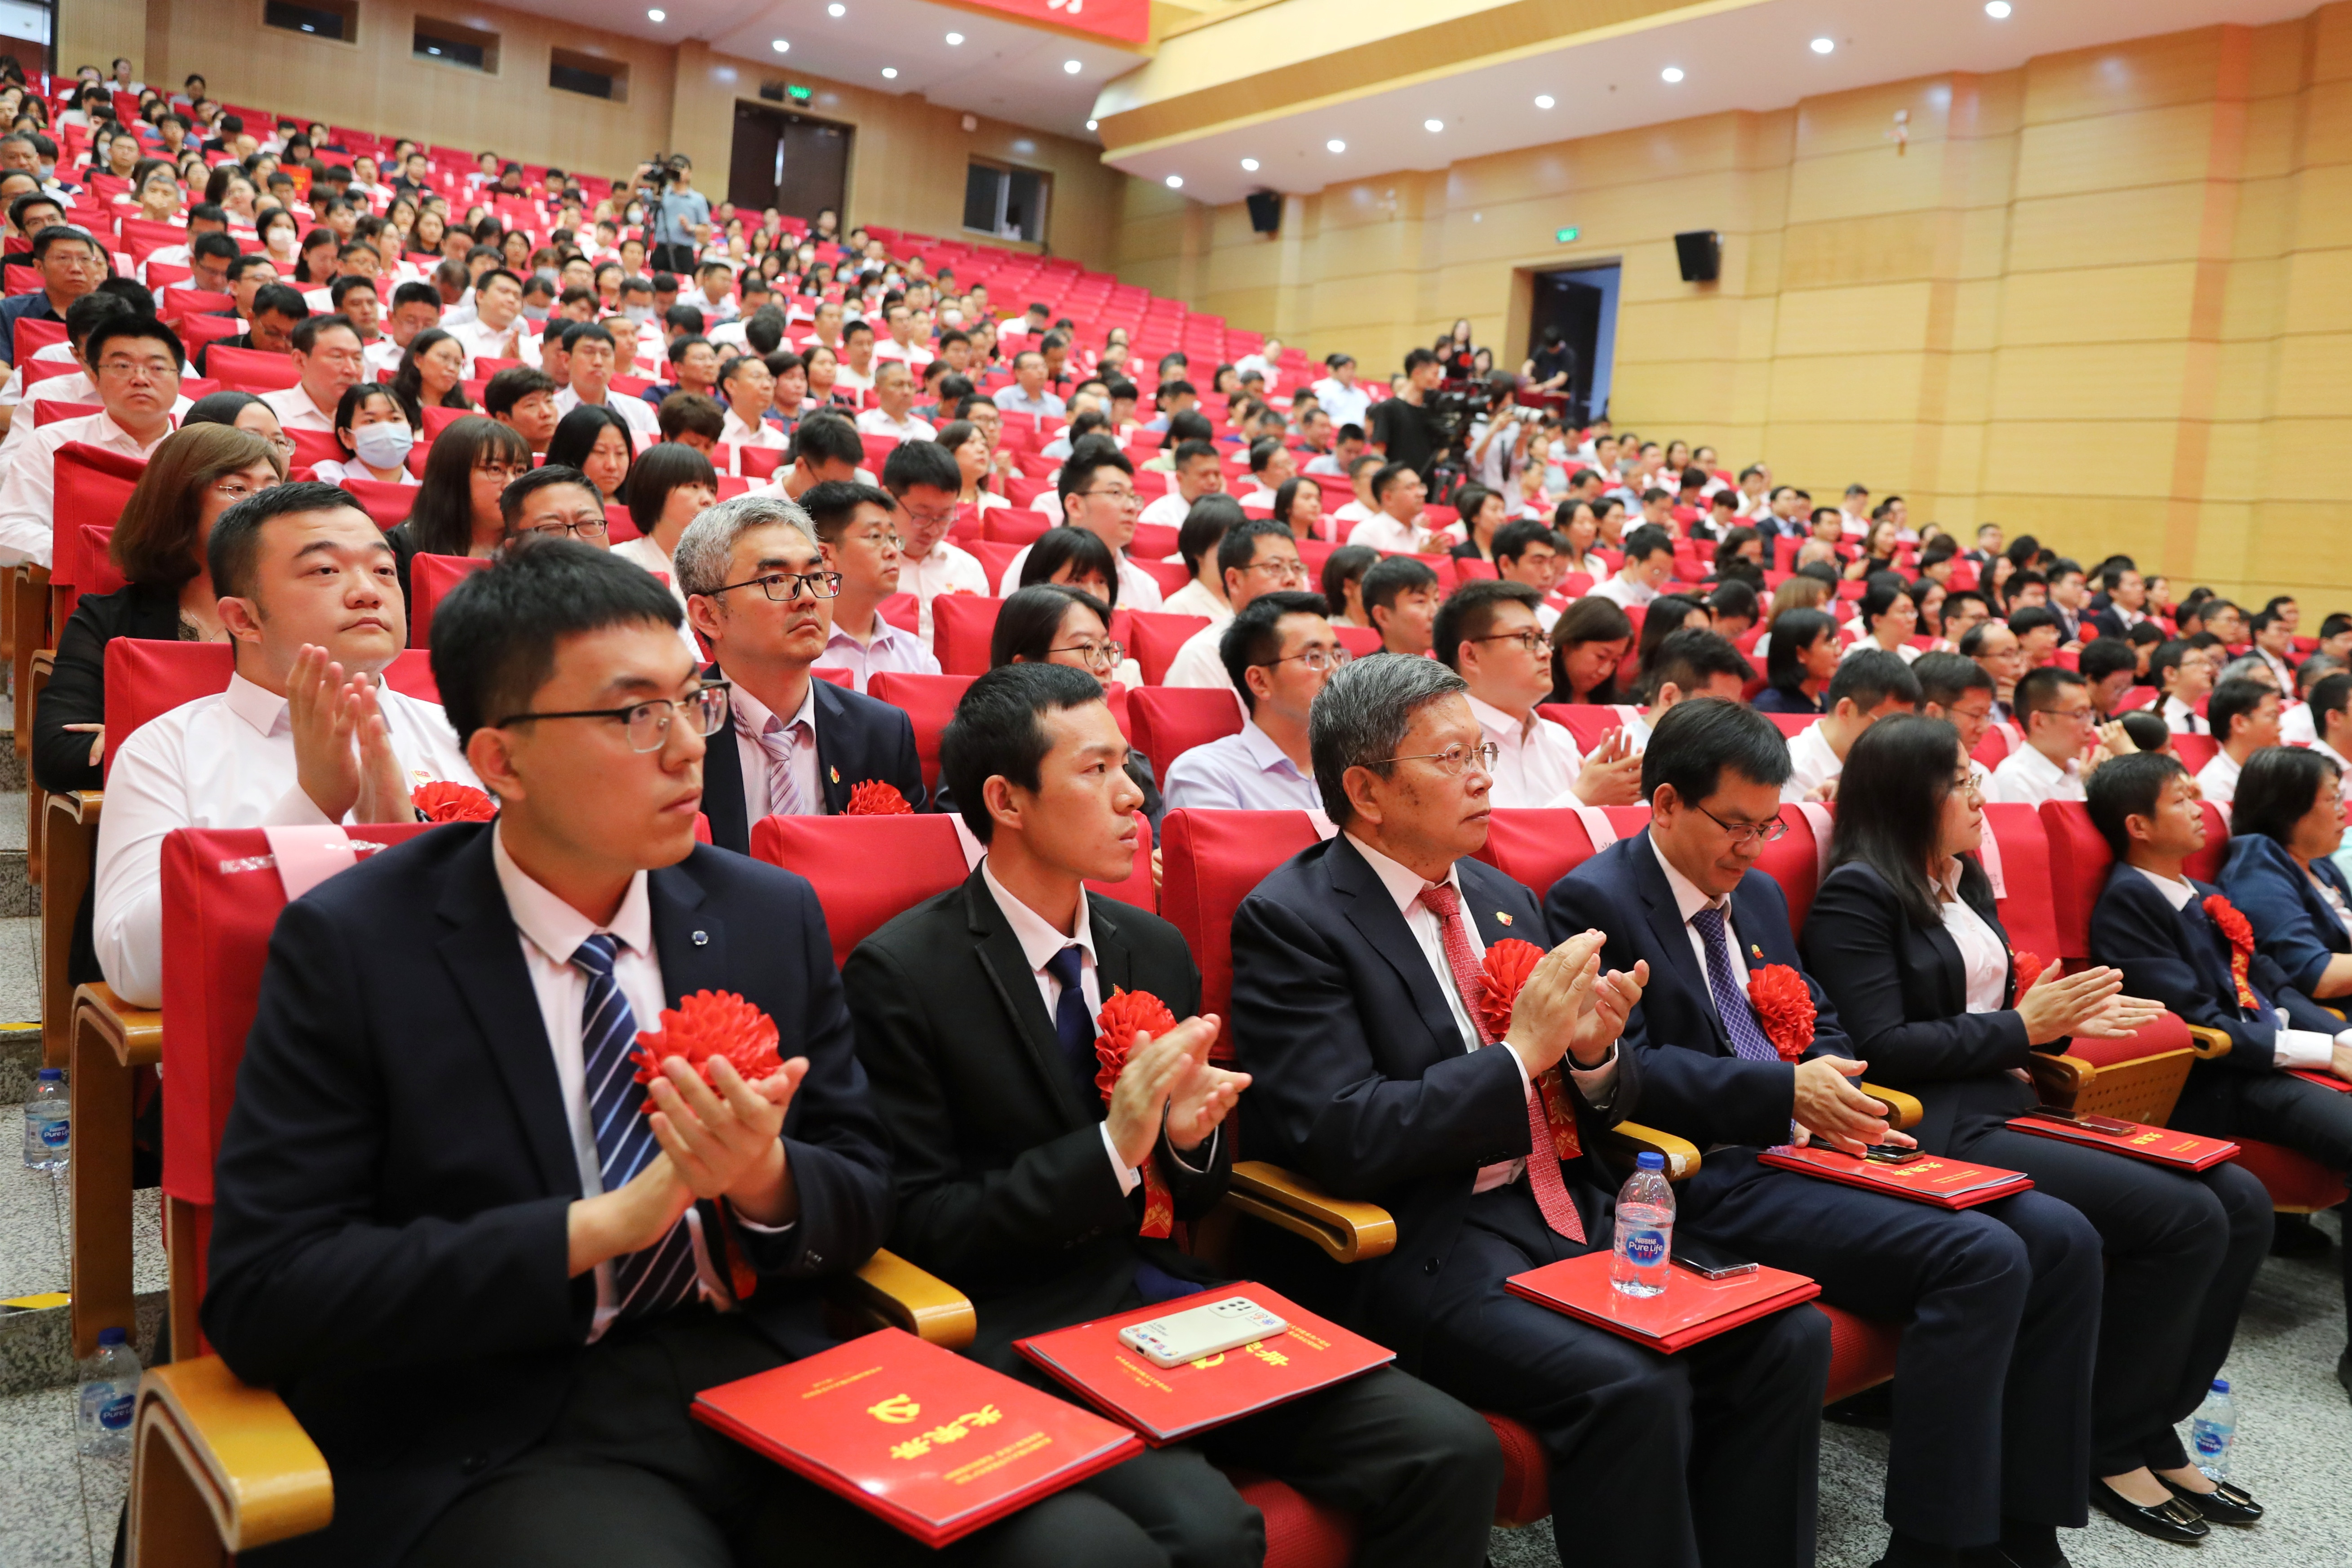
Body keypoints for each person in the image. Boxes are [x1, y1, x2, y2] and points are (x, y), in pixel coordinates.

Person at [201, 538, 1125, 1568]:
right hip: (516, 1411)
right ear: (500, 759)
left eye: (693, 701)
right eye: (636, 714)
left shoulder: (763, 911)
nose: (688, 747)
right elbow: (266, 1292)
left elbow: (867, 1184)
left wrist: (765, 1178)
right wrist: (597, 1227)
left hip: (773, 1370)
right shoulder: (358, 944)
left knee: (1084, 1551)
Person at [843, 660, 1502, 1566]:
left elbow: (1193, 1195)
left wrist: (1189, 1146)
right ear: (1005, 798)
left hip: (1157, 1293)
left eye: (1128, 765)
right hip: (1012, 1319)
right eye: (1095, 770)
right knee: (1206, 1528)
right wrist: (1114, 1148)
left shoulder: (1148, 946)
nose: (1131, 796)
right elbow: (923, 1223)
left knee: (1450, 1447)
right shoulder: (903, 972)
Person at [1230, 652, 1831, 1568]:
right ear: (1365, 789)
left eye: (1481, 752)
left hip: (1567, 1209)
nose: (1483, 776)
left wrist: (1592, 1057)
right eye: (1451, 758)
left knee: (1784, 1335)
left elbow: (1594, 1100)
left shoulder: (1502, 897)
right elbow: (1343, 1132)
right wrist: (1519, 1056)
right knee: (1629, 1384)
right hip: (1426, 1238)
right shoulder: (1294, 919)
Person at [1545, 697, 2102, 1568]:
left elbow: (1820, 1018)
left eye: (1767, 825)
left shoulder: (1760, 893)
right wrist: (1783, 1092)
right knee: (1983, 1255)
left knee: (2062, 1237)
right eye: (1733, 824)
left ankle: (2022, 1524)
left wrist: (1831, 1083)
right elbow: (1631, 1068)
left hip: (1811, 1140)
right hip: (1712, 1170)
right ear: (1665, 803)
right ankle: (1932, 1548)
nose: (1751, 846)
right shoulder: (1594, 898)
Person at [1804, 715, 2272, 1548]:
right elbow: (1882, 1047)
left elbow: (1994, 1015)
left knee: (2239, 1199)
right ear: (1907, 795)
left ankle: (2149, 1422)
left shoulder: (1962, 878)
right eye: (1959, 780)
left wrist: (2057, 1022)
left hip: (2005, 1097)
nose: (1977, 792)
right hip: (1938, 1119)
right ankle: (2106, 1438)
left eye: (1974, 774)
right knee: (2183, 1217)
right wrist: (2028, 1025)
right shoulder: (1859, 891)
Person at [91, 483, 480, 1009]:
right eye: (325, 570)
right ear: (243, 619)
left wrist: (409, 852)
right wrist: (311, 807)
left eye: (384, 570)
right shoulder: (165, 750)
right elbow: (133, 970)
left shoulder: (465, 734)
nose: (367, 591)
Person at [2088, 750, 2352, 1405]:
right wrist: (2320, 1051)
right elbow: (2196, 1023)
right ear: (2138, 826)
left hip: (2267, 1057)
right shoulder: (2128, 902)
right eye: (2180, 799)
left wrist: (2340, 1039)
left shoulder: (2202, 893)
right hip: (2217, 1081)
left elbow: (2275, 985)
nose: (2200, 808)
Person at [33, 422, 282, 812]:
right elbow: (57, 753)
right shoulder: (108, 619)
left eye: (273, 489)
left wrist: (139, 741)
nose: (263, 504)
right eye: (238, 487)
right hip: (158, 826)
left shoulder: (299, 617)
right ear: (180, 502)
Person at [674, 493, 926, 849]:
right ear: (708, 615)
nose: (808, 596)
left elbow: (913, 867)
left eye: (816, 576)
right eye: (775, 580)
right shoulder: (670, 731)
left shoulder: (881, 733)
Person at [1430, 580, 1641, 808]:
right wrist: (1583, 799)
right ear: (1471, 656)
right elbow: (1481, 831)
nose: (1545, 653)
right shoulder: (1442, 743)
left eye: (1543, 640)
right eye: (1528, 639)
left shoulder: (1559, 739)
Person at [0, 314, 184, 567]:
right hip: (81, 581)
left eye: (158, 368)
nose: (140, 379)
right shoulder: (53, 442)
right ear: (94, 378)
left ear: (180, 380)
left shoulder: (200, 452)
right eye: (122, 366)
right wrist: (92, 556)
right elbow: (11, 529)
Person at [1160, 592, 1342, 813]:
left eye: (1337, 655)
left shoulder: (1359, 765)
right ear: (1260, 682)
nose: (1336, 670)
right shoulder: (1206, 774)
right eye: (1314, 657)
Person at [2218, 745, 2352, 1001]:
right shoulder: (2257, 870)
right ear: (2289, 807)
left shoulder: (2317, 861)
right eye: (2333, 799)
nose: (2344, 810)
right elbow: (2318, 976)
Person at [799, 479, 939, 691]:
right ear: (824, 555)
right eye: (876, 537)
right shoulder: (795, 654)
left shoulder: (914, 654)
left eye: (893, 538)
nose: (893, 551)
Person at [995, 442, 1163, 610]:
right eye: (1116, 493)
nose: (1132, 507)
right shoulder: (1032, 562)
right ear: (1075, 506)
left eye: (1132, 496)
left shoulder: (1145, 588)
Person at [1163, 518, 1310, 689]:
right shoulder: (1204, 656)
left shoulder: (1318, 647)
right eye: (1275, 567)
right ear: (1234, 581)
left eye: (1296, 568)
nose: (1291, 579)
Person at [881, 438, 988, 646]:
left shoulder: (969, 569)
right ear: (888, 500)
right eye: (922, 516)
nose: (933, 529)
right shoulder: (862, 567)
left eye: (945, 516)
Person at [1781, 649, 1921, 802]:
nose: (1899, 740)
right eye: (1889, 725)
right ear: (1845, 711)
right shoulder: (1793, 771)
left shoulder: (1893, 763)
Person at [1988, 667, 2121, 806]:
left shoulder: (2080, 770)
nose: (2090, 728)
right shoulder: (2016, 780)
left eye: (2090, 715)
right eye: (2079, 715)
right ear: (2039, 722)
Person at [611, 441, 717, 610]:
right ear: (654, 491)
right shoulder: (619, 562)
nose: (708, 500)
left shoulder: (720, 566)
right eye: (694, 486)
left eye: (712, 490)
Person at [555, 321, 662, 444]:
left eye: (606, 354)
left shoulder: (640, 411)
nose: (598, 362)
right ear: (566, 360)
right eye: (589, 352)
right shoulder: (551, 412)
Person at [262, 313, 367, 433]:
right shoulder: (269, 413)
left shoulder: (379, 417)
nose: (352, 370)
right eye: (337, 356)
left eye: (357, 358)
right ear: (300, 361)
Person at [2192, 675, 2282, 805]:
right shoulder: (2217, 787)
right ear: (2239, 723)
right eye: (2273, 717)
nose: (2280, 727)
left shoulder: (2272, 774)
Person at [311, 383, 416, 486]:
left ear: (411, 430)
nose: (386, 428)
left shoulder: (423, 491)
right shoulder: (328, 480)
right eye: (371, 421)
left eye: (395, 419)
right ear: (346, 437)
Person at [1543, 595, 1633, 706]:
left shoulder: (1618, 704)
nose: (1605, 672)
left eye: (1615, 661)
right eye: (1601, 657)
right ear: (1568, 644)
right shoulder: (1534, 697)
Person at [1366, 347, 1441, 479]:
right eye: (1435, 375)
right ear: (1417, 373)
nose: (1438, 381)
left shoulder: (1433, 410)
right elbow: (1378, 455)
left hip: (1426, 486)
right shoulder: (1388, 409)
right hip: (1397, 485)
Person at [546, 403, 636, 504]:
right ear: (571, 453)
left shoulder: (641, 507)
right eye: (601, 452)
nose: (612, 465)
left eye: (620, 453)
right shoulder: (543, 504)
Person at [1345, 462, 1435, 554]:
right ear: (1388, 498)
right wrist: (1420, 555)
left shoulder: (1426, 537)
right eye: (1410, 488)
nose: (1420, 494)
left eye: (1420, 487)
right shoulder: (1367, 533)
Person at [1361, 554, 1440, 657]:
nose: (1436, 614)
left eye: (1436, 599)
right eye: (1420, 601)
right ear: (1383, 616)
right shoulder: (1367, 668)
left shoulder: (1452, 663)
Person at [1136, 438, 1225, 529]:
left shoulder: (1228, 514)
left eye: (1217, 474)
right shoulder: (1159, 518)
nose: (1213, 481)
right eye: (1204, 475)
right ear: (1180, 478)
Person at [1590, 524, 1674, 611]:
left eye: (1665, 575)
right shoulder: (1601, 598)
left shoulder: (1659, 603)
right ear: (1631, 562)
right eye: (1657, 572)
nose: (1660, 582)